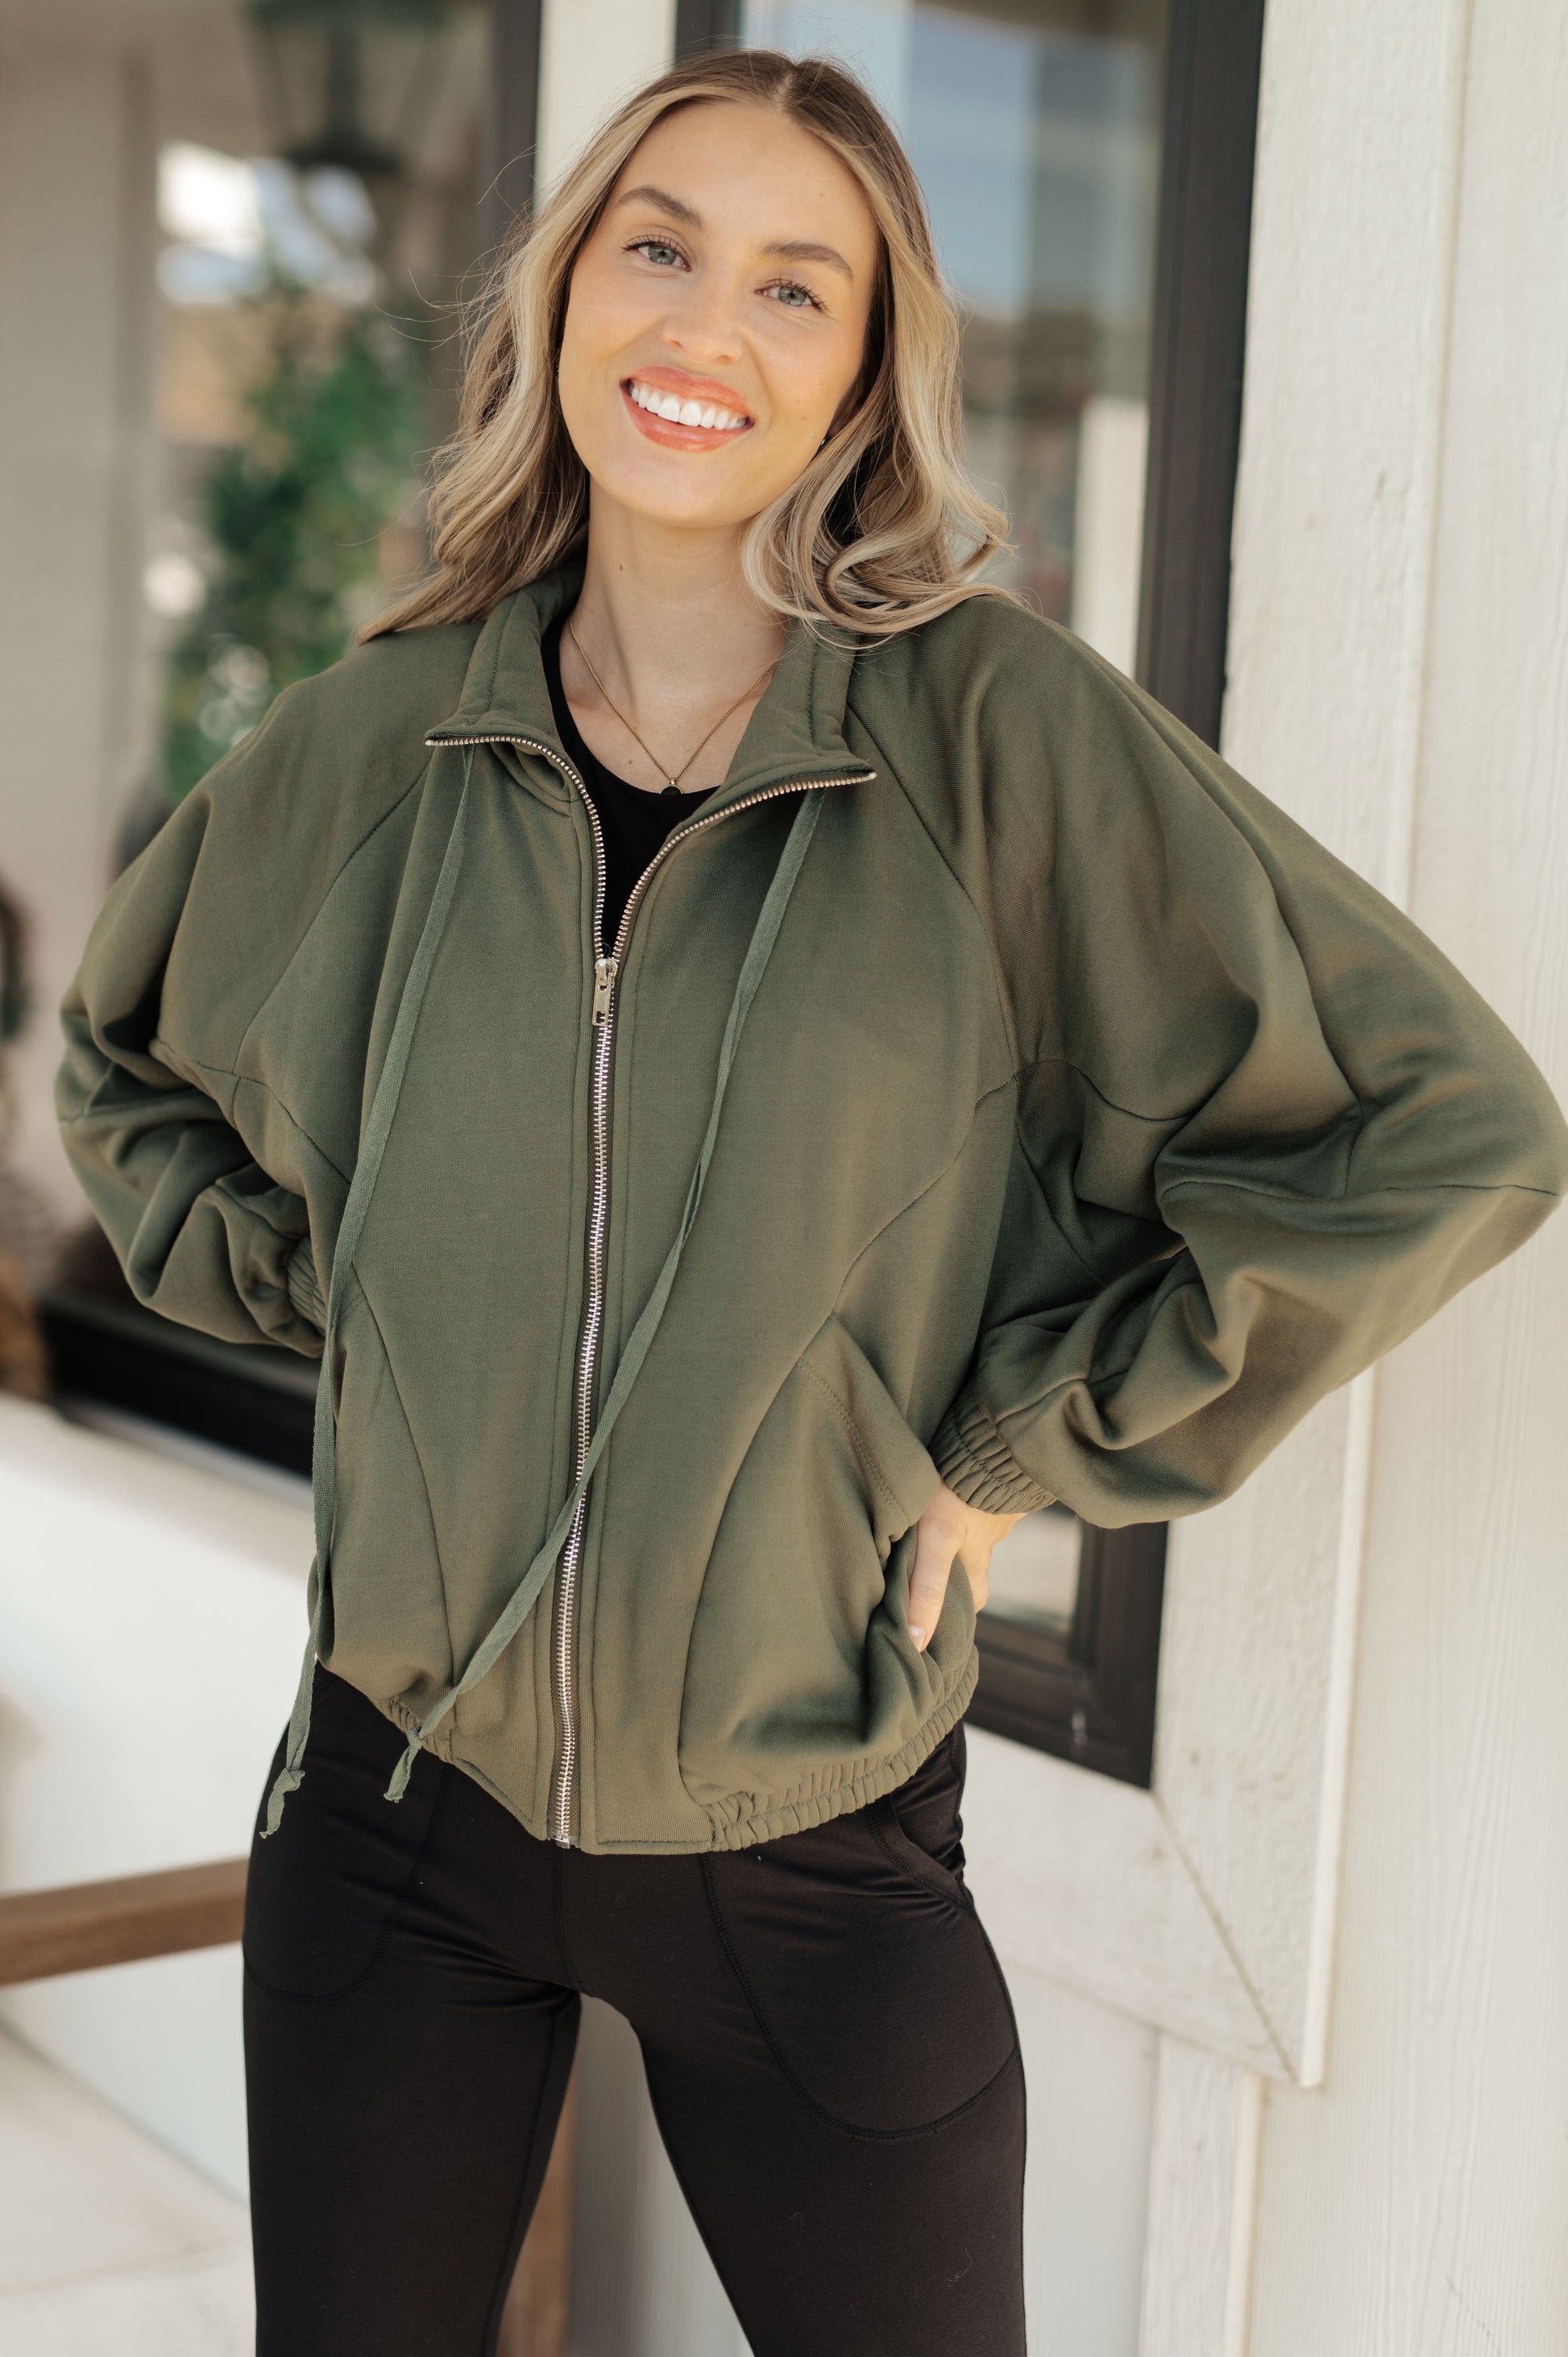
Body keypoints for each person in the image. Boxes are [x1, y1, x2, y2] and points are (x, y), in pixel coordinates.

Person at [56, 48, 1565, 2357]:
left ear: (864, 373)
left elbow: (1439, 1125)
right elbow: (126, 1066)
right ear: (567, 292)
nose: (705, 328)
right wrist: (365, 1301)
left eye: (794, 285)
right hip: (389, 1810)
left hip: (805, 1844)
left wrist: (1025, 1442)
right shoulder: (385, 738)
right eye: (658, 247)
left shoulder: (992, 738)